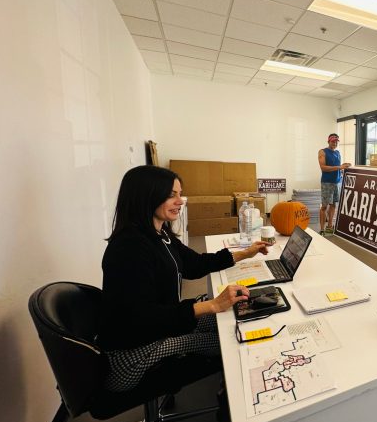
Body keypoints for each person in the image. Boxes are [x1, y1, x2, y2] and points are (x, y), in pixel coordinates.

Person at [98, 165, 270, 392]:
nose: (180, 201)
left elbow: (195, 265)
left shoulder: (160, 234)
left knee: (234, 312)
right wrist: (212, 304)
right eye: (171, 195)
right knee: (231, 338)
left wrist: (244, 254)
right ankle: (230, 399)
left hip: (161, 327)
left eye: (180, 194)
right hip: (133, 355)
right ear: (146, 196)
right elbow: (140, 319)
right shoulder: (129, 248)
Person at [318, 133, 351, 235]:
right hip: (327, 183)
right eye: (333, 141)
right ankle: (322, 229)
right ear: (328, 141)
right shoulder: (322, 152)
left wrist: (344, 168)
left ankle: (329, 226)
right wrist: (340, 167)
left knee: (333, 205)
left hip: (337, 182)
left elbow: (338, 168)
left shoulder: (337, 153)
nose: (335, 143)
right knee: (324, 206)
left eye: (336, 141)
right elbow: (323, 167)